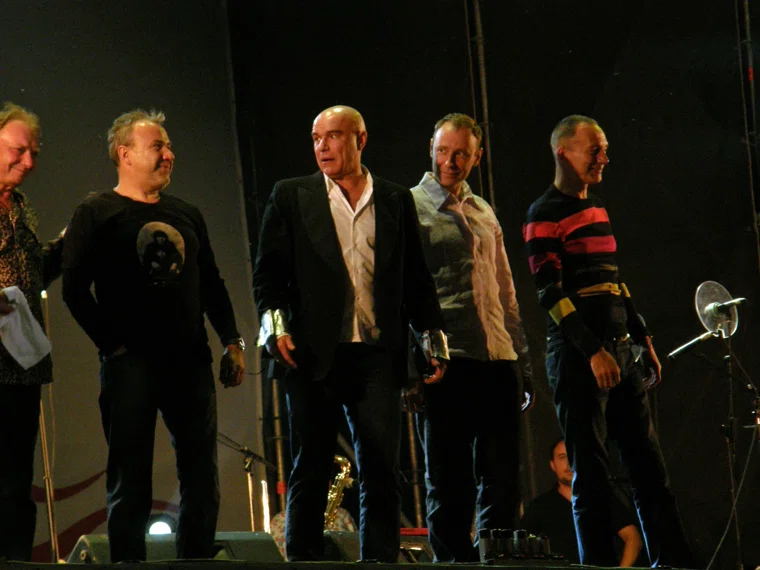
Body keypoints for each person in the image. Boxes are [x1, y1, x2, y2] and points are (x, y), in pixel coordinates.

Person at [253, 105, 448, 562]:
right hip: (311, 352)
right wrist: (275, 328)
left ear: (361, 140)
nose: (322, 147)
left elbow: (416, 277)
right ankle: (304, 562)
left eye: (334, 136)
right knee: (311, 463)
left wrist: (432, 339)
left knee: (381, 467)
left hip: (376, 352)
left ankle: (379, 562)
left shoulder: (395, 198)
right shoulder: (291, 195)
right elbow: (268, 275)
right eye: (316, 138)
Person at [62, 109, 245, 562]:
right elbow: (74, 289)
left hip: (190, 363)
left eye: (169, 146)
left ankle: (194, 562)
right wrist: (113, 345)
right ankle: (129, 564)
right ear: (124, 154)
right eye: (158, 146)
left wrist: (232, 341)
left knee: (201, 477)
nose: (169, 154)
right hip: (130, 366)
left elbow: (211, 283)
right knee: (131, 480)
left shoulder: (187, 213)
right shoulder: (97, 211)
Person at [523, 115, 692, 567]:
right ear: (563, 152)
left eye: (605, 149)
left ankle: (672, 562)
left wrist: (641, 335)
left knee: (648, 467)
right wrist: (592, 350)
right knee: (592, 474)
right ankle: (598, 566)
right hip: (579, 356)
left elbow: (614, 280)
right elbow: (549, 292)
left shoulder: (597, 207)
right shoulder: (543, 213)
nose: (604, 158)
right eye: (594, 149)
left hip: (618, 351)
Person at [409, 113, 532, 563]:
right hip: (448, 360)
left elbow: (505, 289)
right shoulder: (411, 206)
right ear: (431, 148)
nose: (451, 161)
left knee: (503, 480)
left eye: (461, 153)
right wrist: (413, 364)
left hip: (497, 358)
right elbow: (405, 289)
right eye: (444, 151)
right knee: (449, 482)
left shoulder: (483, 210)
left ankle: (498, 562)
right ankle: (453, 566)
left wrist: (521, 358)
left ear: (476, 158)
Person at [0, 102, 64, 562]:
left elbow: (33, 272)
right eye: (18, 150)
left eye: (34, 154)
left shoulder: (21, 208)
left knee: (16, 480)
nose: (28, 162)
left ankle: (17, 561)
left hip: (20, 365)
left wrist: (67, 246)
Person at [521, 439, 644, 566]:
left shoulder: (601, 499)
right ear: (552, 465)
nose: (568, 463)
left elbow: (633, 539)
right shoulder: (541, 506)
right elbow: (521, 545)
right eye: (562, 457)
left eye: (572, 456)